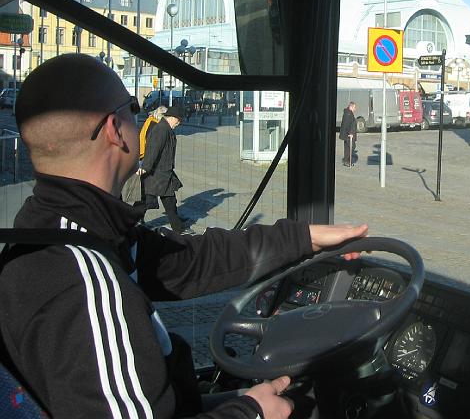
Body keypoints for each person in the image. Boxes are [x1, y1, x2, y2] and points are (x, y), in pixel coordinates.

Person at [0, 53, 369, 419]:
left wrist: (303, 237)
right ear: (114, 129)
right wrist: (250, 413)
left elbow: (186, 261)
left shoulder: (61, 228)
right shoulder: (85, 285)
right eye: (132, 107)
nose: (139, 117)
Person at [140, 104, 192, 234]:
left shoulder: (165, 128)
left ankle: (178, 228)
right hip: (157, 173)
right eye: (179, 120)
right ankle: (130, 222)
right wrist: (145, 167)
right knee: (146, 202)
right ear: (173, 118)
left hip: (164, 172)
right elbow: (152, 150)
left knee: (169, 202)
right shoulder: (161, 129)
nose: (179, 123)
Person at [339, 101, 357, 167]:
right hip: (348, 134)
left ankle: (346, 161)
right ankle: (346, 160)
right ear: (351, 107)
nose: (355, 109)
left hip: (347, 134)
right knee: (351, 147)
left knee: (348, 147)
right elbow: (346, 125)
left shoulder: (349, 113)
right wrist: (350, 133)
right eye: (354, 107)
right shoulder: (348, 114)